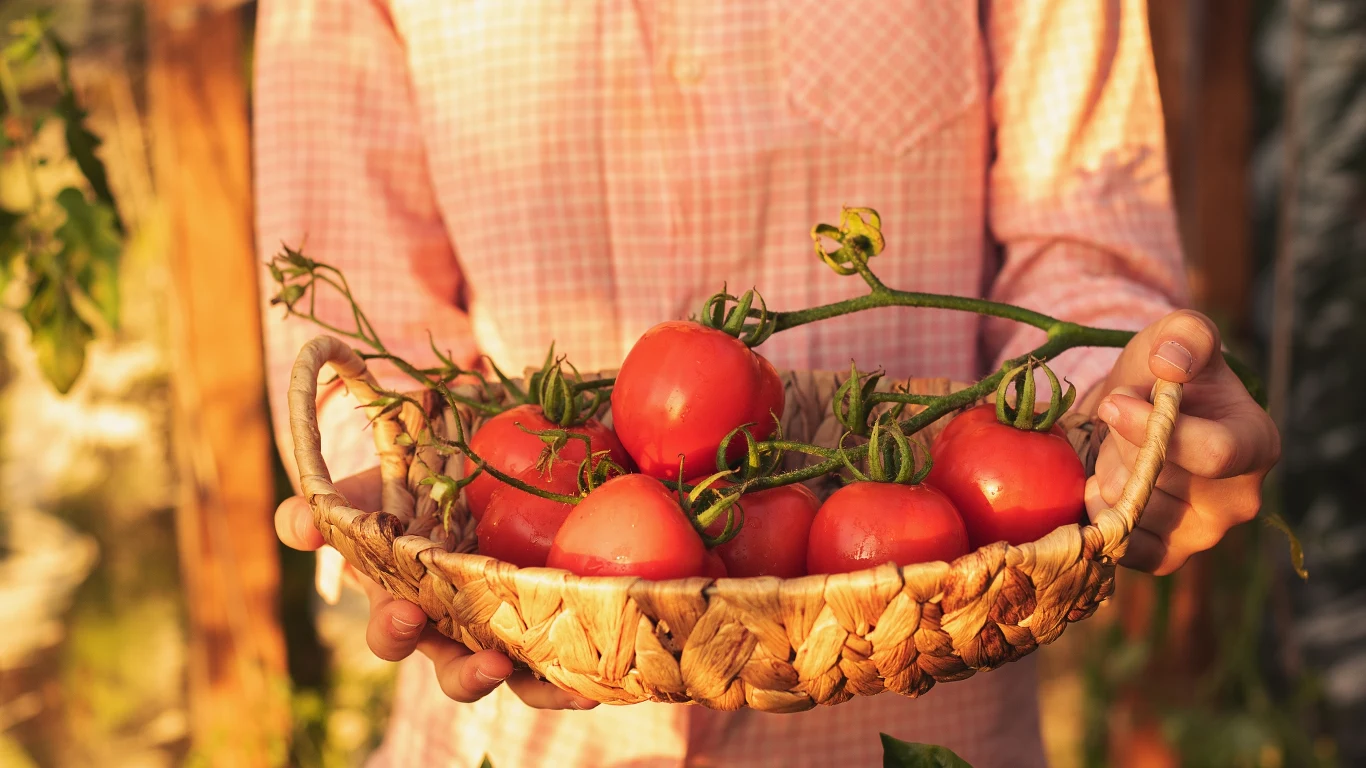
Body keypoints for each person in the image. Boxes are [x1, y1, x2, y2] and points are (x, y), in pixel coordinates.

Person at [257, 1, 1280, 765]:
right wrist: (405, 533)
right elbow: (356, 329)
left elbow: (1080, 243)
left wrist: (1131, 417)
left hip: (921, 711)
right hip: (504, 723)